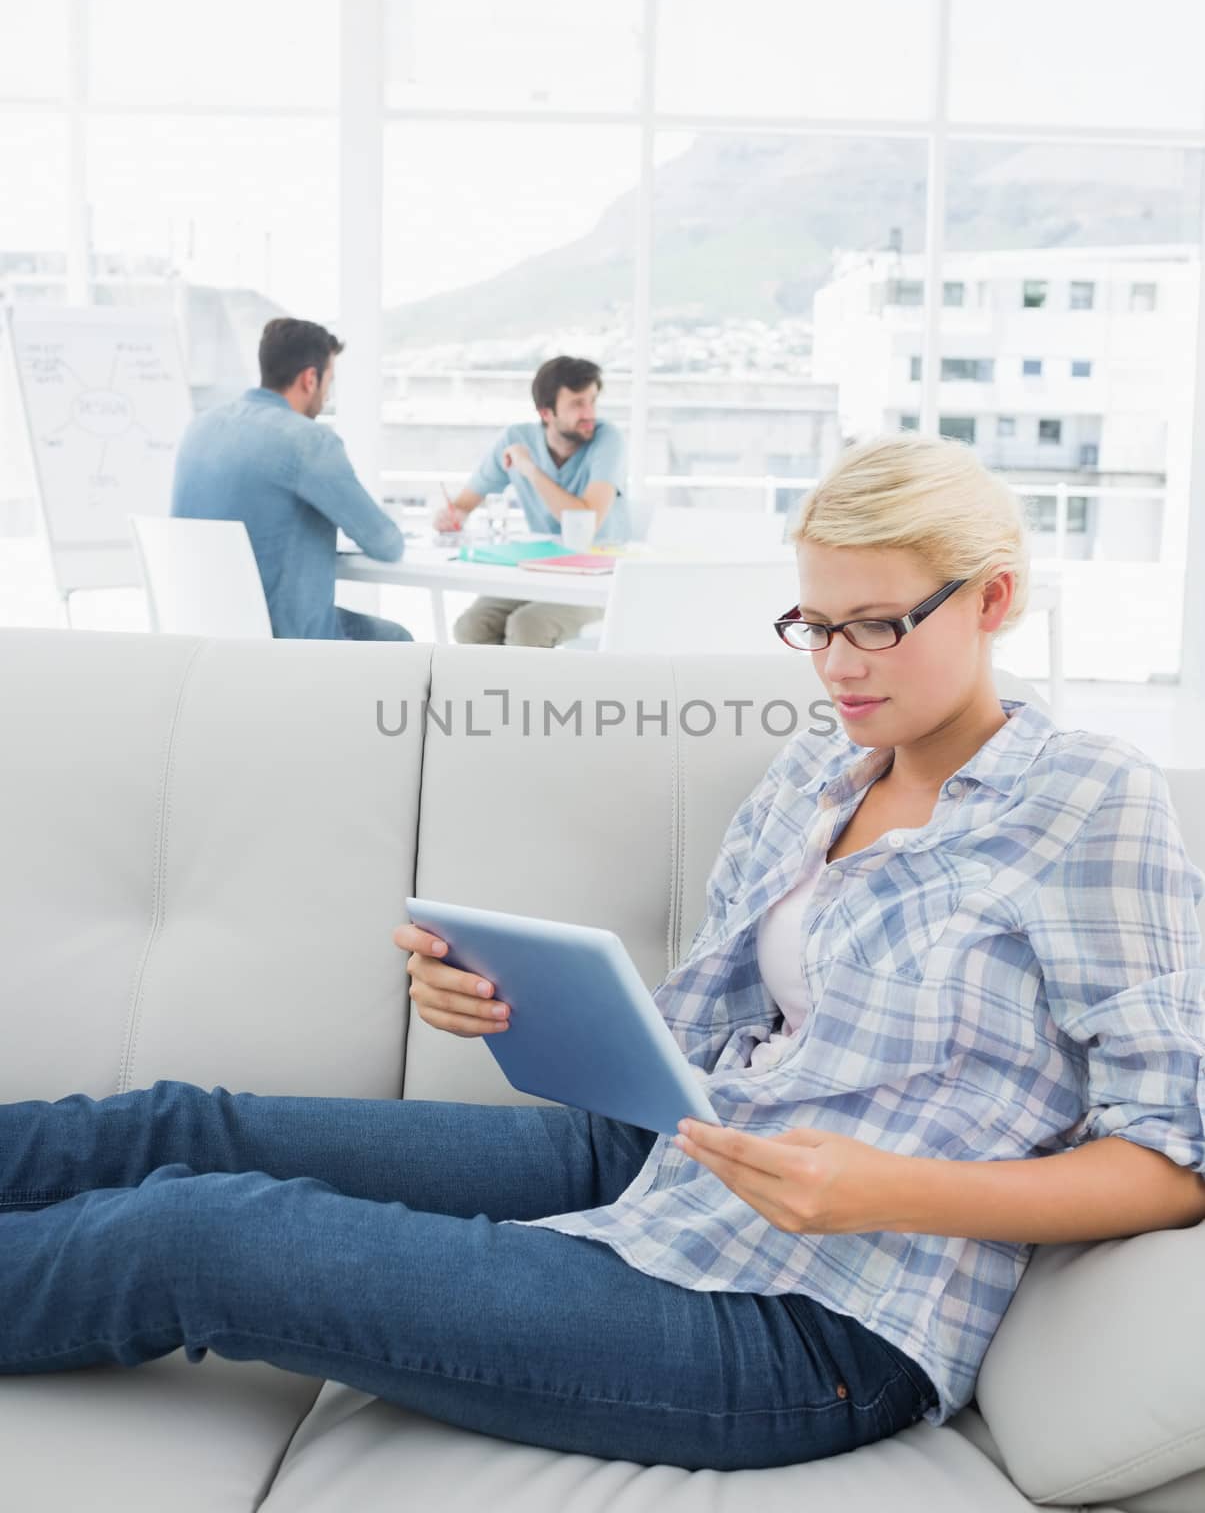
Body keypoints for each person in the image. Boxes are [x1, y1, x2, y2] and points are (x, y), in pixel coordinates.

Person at [3, 434, 1203, 1472]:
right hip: (669, 1152)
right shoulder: (818, 772)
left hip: (816, 1314)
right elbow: (688, 1041)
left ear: (990, 601)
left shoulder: (1093, 803)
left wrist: (888, 1189)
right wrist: (510, 1004)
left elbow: (1170, 1156)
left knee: (202, 1235)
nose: (837, 666)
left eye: (877, 626)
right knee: (182, 1123)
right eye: (815, 625)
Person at [171, 317, 413, 642]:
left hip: (203, 633)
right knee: (397, 639)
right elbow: (386, 544)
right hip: (283, 643)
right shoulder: (307, 442)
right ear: (310, 379)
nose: (327, 394)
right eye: (330, 380)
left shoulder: (198, 429)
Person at [439, 355, 628, 648]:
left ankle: (523, 695)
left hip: (597, 581)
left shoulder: (607, 440)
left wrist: (529, 469)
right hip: (540, 571)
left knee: (528, 625)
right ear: (546, 413)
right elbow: (463, 504)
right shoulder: (517, 437)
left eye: (592, 401)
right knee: (471, 626)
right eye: (577, 404)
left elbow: (583, 520)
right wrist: (451, 515)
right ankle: (488, 694)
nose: (589, 412)